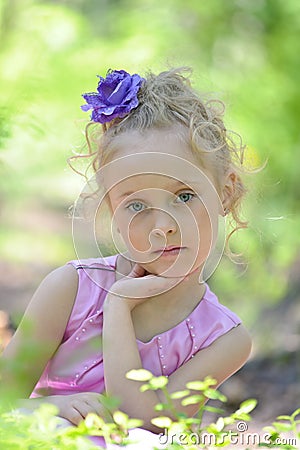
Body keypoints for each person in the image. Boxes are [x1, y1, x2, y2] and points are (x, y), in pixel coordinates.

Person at [0, 68, 252, 438]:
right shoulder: (71, 289)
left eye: (184, 196)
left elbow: (144, 425)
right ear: (110, 208)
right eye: (136, 205)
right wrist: (47, 407)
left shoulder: (223, 337)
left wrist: (118, 305)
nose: (162, 226)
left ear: (225, 192)